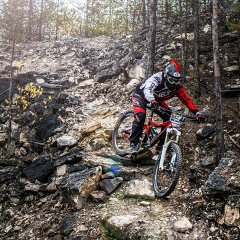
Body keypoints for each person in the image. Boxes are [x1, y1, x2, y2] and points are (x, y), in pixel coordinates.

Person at [128, 59, 206, 153]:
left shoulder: (177, 87)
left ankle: (161, 145)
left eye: (177, 80)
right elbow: (148, 89)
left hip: (156, 100)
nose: (174, 83)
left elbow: (187, 100)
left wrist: (197, 113)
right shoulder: (158, 78)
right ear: (166, 76)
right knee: (140, 115)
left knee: (169, 118)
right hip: (141, 95)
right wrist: (152, 100)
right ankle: (133, 143)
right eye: (172, 80)